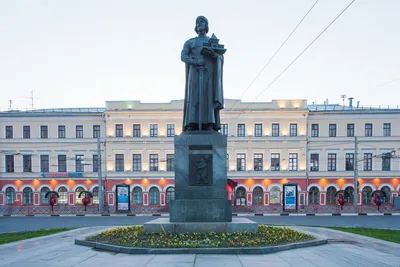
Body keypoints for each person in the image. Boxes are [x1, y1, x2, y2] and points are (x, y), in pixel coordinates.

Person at [181, 16, 225, 131]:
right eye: (198, 22)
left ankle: (209, 123)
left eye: (202, 21)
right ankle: (192, 123)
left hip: (209, 73)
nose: (200, 23)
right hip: (195, 73)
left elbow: (219, 56)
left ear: (207, 26)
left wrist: (214, 55)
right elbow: (183, 56)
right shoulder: (190, 42)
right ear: (196, 26)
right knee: (194, 96)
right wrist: (195, 62)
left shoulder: (211, 42)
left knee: (208, 97)